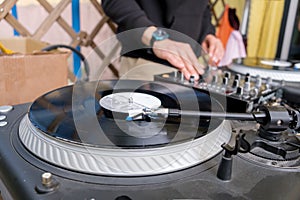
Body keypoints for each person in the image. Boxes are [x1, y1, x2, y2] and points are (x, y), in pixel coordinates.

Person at [102, 0, 224, 81]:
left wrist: (208, 33)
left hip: (190, 68)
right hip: (146, 63)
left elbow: (202, 7)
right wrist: (157, 38)